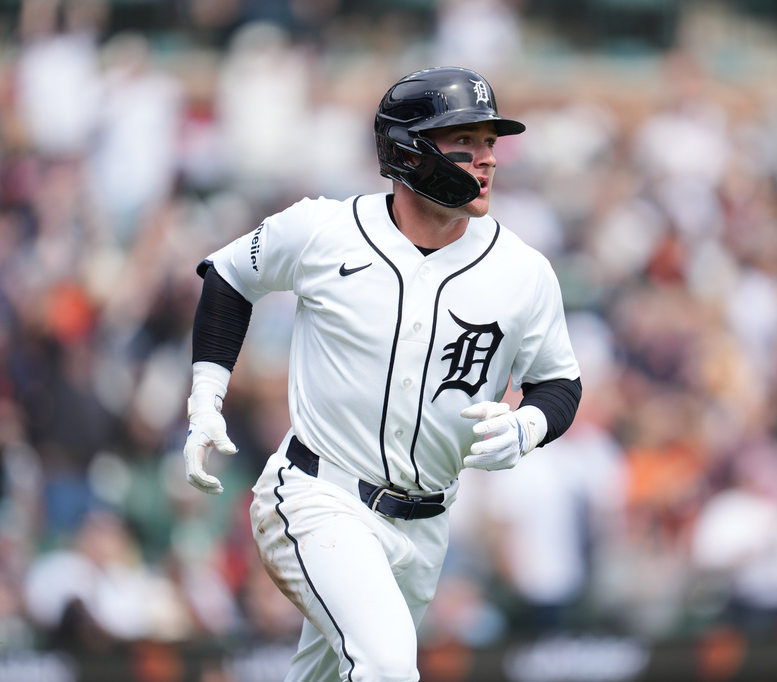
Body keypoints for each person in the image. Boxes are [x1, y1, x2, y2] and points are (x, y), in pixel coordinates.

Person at [181, 66, 582, 682]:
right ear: (408, 153)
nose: (485, 161)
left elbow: (560, 383)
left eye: (490, 144)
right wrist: (207, 398)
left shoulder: (523, 272)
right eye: (464, 144)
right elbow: (231, 276)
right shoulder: (324, 228)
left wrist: (529, 425)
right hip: (319, 494)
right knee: (388, 668)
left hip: (426, 526)